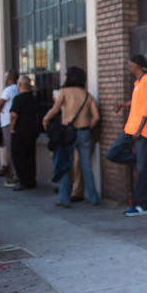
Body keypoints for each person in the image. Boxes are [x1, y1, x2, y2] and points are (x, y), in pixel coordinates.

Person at [105, 54, 147, 216]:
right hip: (131, 128)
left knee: (142, 170)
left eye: (130, 64)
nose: (128, 66)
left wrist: (139, 130)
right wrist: (124, 104)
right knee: (112, 154)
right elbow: (139, 102)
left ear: (137, 65)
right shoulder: (138, 83)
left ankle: (142, 205)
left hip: (141, 131)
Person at [43, 67, 102, 207]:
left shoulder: (64, 92)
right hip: (84, 132)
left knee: (65, 164)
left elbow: (55, 109)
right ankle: (93, 197)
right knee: (86, 166)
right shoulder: (87, 95)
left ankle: (64, 198)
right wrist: (88, 127)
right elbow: (96, 117)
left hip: (68, 133)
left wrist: (45, 118)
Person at [9, 76, 41, 191]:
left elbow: (13, 115)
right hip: (31, 132)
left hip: (20, 132)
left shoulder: (18, 99)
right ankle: (31, 180)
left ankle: (24, 181)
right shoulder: (33, 98)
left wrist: (12, 128)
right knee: (30, 157)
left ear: (19, 85)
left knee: (19, 156)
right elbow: (37, 115)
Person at [0, 70, 20, 183]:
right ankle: (14, 171)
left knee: (11, 148)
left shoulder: (9, 89)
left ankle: (16, 173)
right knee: (13, 148)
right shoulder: (17, 89)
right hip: (14, 122)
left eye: (5, 77)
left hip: (8, 122)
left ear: (9, 78)